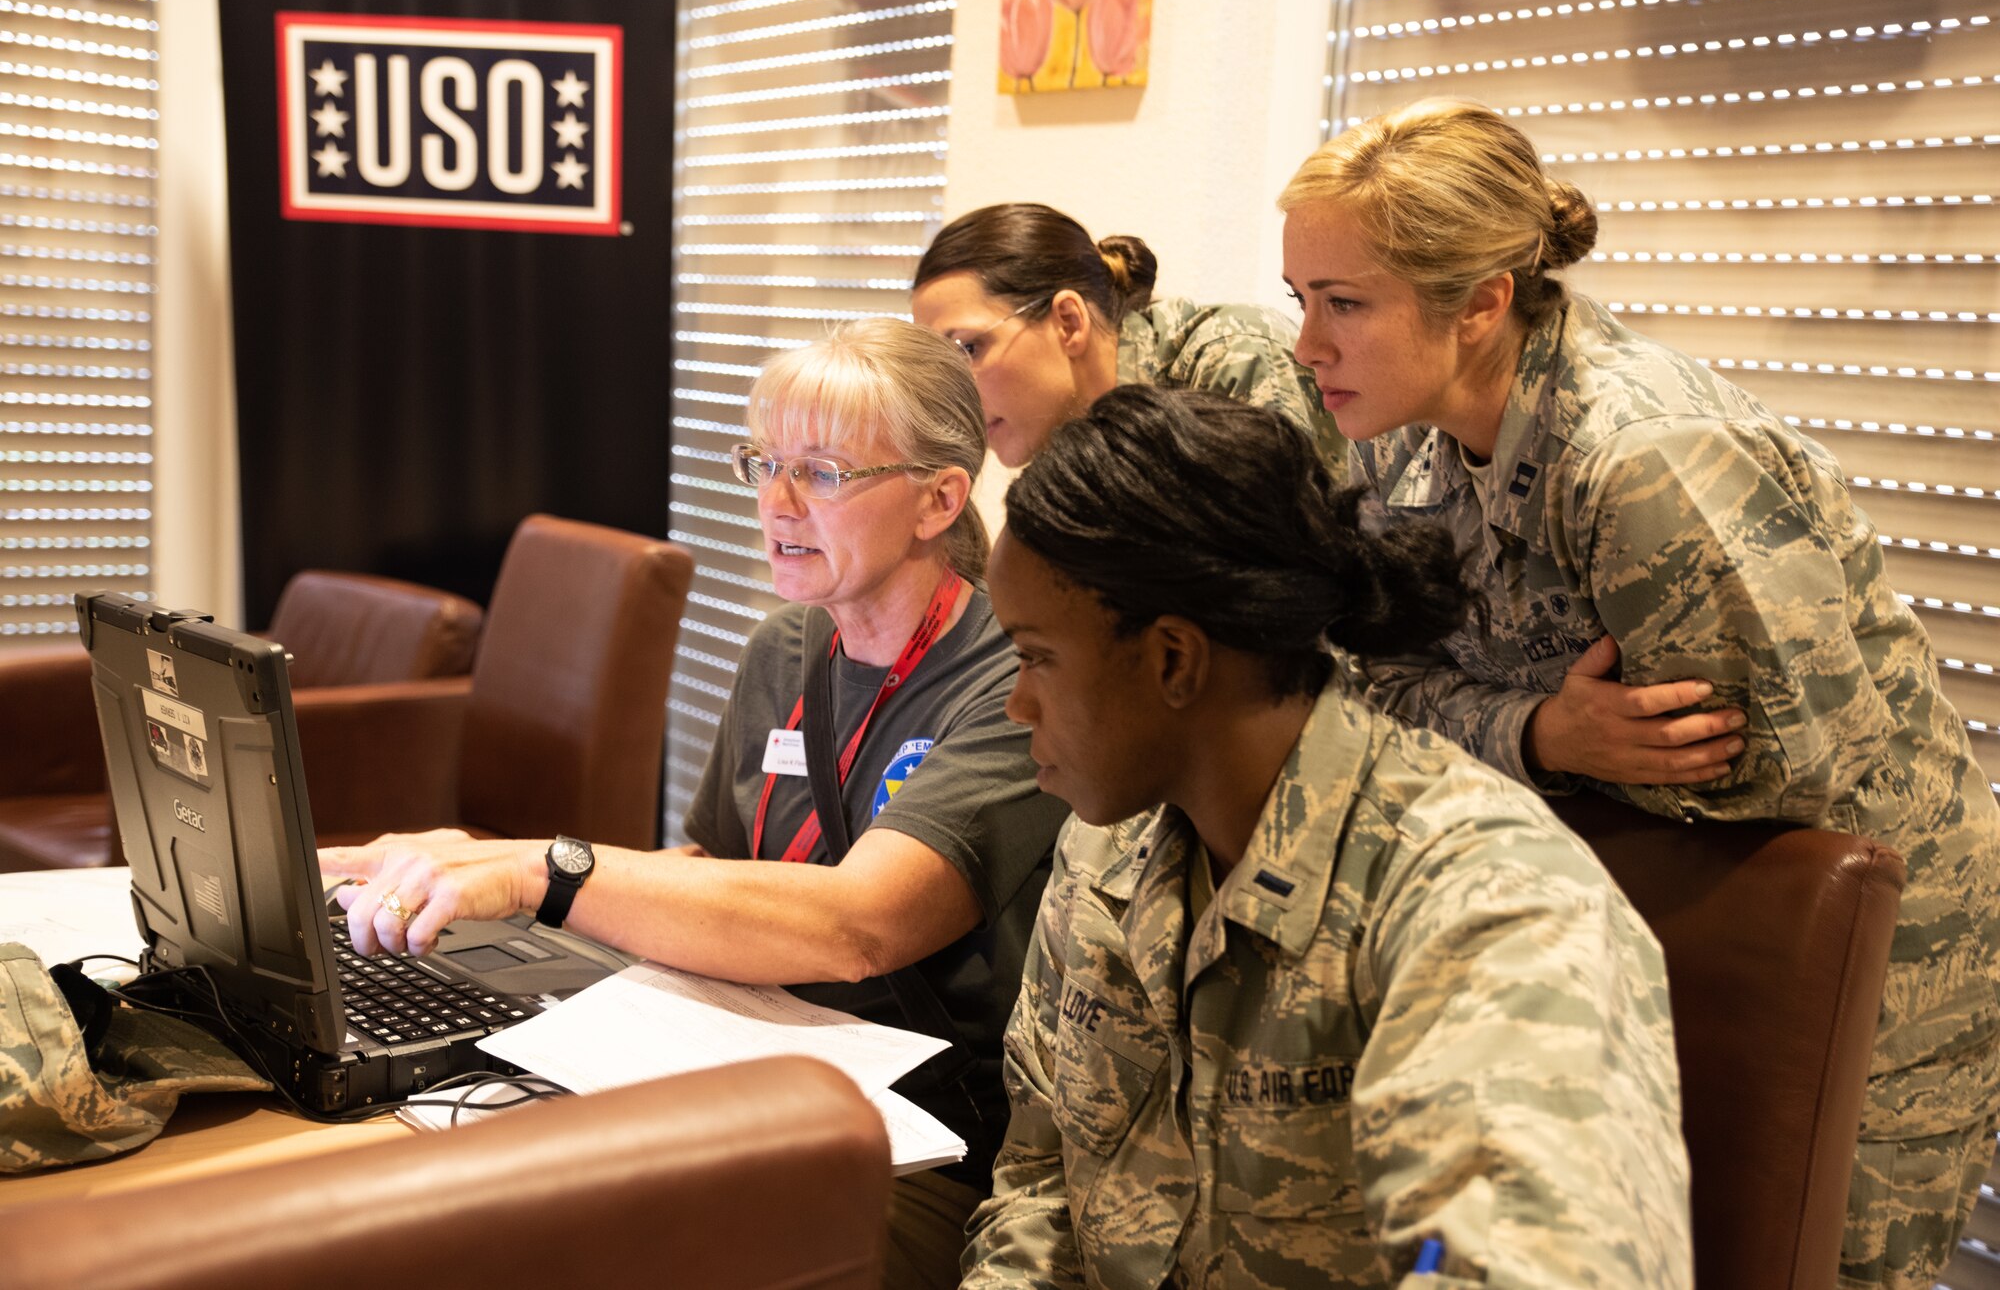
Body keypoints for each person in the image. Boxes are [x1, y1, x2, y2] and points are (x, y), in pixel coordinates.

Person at [1279, 97, 2000, 1290]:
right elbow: (1362, 677)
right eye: (1300, 297)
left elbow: (1788, 767)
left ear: (1481, 302)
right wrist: (1540, 730)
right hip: (1632, 905)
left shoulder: (1640, 456)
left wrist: (1502, 733)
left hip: (1880, 955)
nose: (1305, 344)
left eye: (1342, 303)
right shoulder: (1393, 432)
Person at [321, 318, 1072, 1290]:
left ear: (937, 500)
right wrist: (479, 860)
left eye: (825, 472)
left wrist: (537, 872)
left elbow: (859, 925)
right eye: (764, 463)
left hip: (914, 1144)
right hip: (746, 1065)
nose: (779, 502)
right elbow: (710, 873)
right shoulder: (785, 650)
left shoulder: (1009, 683)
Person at [966, 384, 1693, 1288]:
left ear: (1172, 660)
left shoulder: (1485, 903)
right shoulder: (1104, 852)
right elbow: (1043, 1186)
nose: (1016, 702)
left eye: (1036, 657)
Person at [909, 201, 1344, 473]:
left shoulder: (1232, 360)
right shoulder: (1063, 432)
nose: (951, 394)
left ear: (1068, 322)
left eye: (968, 348)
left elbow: (1287, 591)